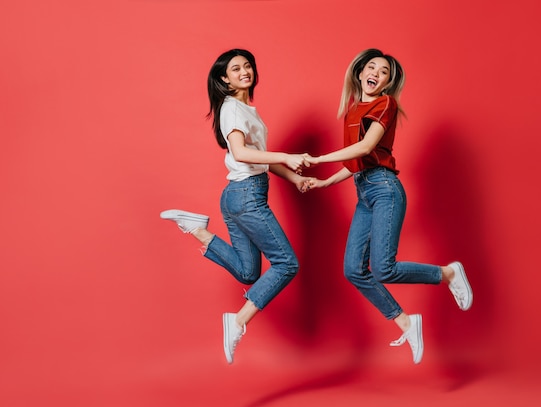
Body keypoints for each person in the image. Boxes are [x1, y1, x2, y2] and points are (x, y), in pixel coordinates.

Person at [305, 48, 473, 364]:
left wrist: (317, 160)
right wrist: (324, 182)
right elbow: (357, 159)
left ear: (387, 84)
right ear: (359, 73)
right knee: (353, 269)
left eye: (384, 73)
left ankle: (448, 273)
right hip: (364, 193)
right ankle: (407, 323)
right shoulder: (353, 110)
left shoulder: (386, 104)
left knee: (384, 268)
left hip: (384, 189)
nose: (376, 74)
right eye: (372, 67)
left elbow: (368, 147)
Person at [160, 48, 312, 364]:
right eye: (236, 69)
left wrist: (292, 178)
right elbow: (242, 154)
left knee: (248, 272)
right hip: (246, 197)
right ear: (224, 80)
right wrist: (285, 156)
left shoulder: (245, 109)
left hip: (237, 196)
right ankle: (239, 320)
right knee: (287, 264)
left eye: (247, 66)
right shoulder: (231, 109)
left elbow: (258, 158)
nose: (244, 71)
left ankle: (200, 231)